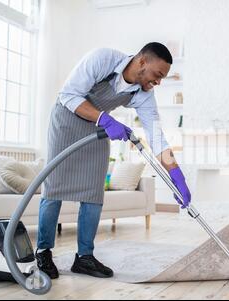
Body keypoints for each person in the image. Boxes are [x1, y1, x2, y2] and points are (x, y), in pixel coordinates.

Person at [35, 43, 191, 279]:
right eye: (157, 75)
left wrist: (176, 175)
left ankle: (84, 257)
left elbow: (157, 136)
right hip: (67, 121)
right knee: (54, 187)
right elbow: (67, 94)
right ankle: (44, 251)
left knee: (94, 192)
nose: (158, 82)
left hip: (96, 129)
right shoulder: (103, 59)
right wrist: (106, 120)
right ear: (141, 62)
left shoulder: (144, 94)